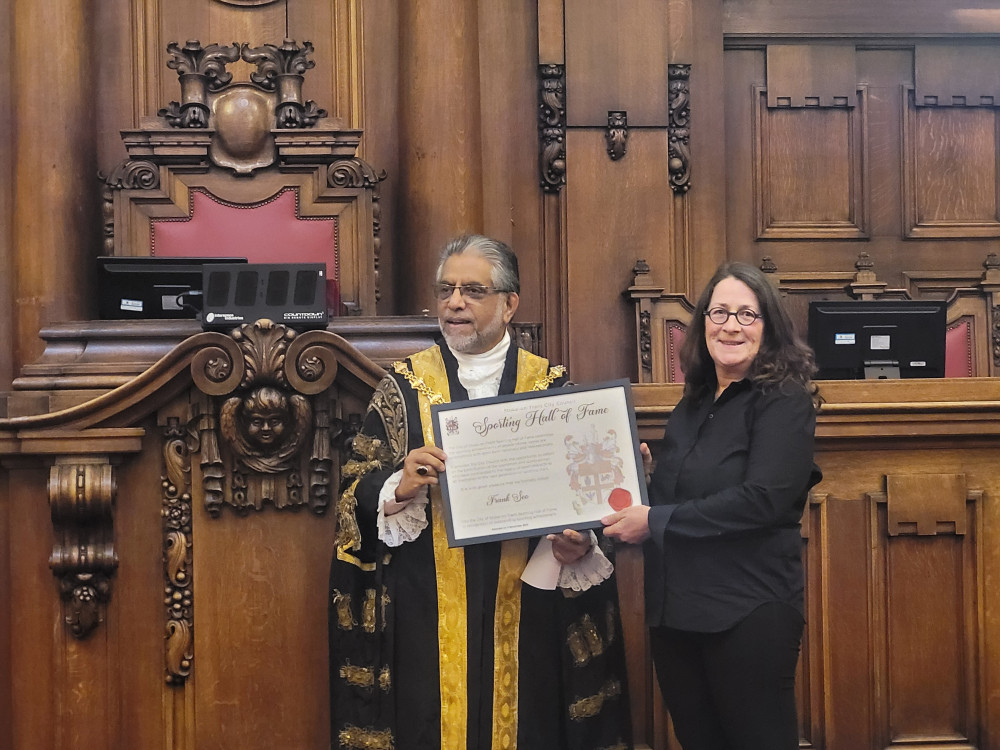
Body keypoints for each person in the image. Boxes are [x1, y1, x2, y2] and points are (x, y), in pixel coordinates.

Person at [329, 234, 632, 750]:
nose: (454, 303)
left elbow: (587, 505)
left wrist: (581, 541)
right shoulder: (402, 389)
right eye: (446, 289)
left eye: (472, 290)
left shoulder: (552, 389)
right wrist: (397, 487)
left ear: (510, 303)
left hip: (529, 609)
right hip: (428, 606)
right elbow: (353, 494)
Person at [602, 261, 822, 750]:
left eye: (748, 314)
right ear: (703, 325)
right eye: (719, 312)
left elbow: (764, 500)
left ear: (770, 327)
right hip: (676, 613)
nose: (731, 326)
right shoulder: (694, 403)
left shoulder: (784, 400)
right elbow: (681, 499)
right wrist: (637, 480)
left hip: (746, 612)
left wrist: (655, 519)